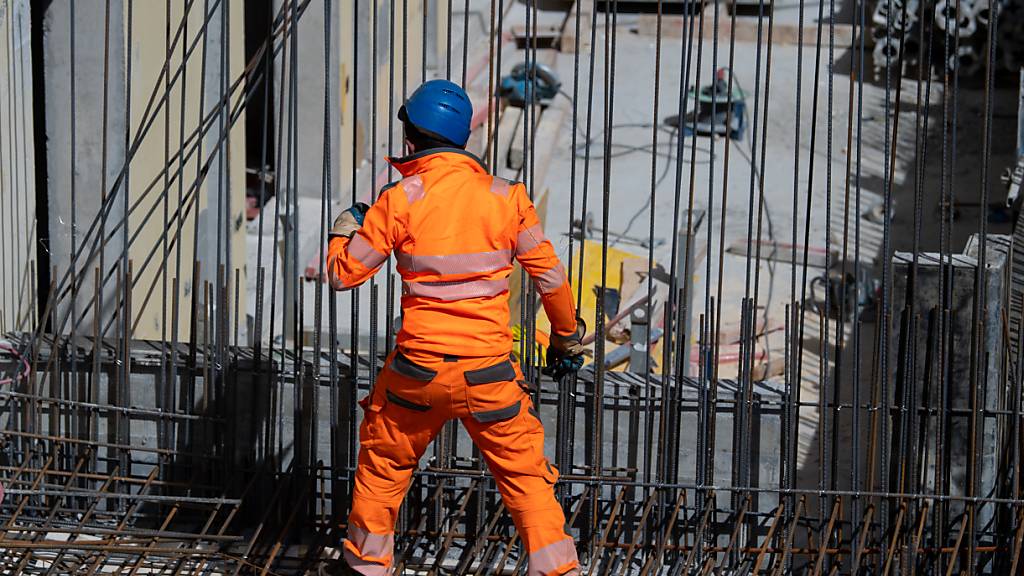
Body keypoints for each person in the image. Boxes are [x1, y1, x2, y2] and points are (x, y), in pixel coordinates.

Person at [325, 79, 585, 575]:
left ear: (412, 139)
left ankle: (364, 567)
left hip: (416, 378)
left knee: (382, 471)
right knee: (527, 480)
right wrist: (565, 338)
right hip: (489, 377)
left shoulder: (398, 201)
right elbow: (551, 278)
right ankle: (555, 569)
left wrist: (349, 223)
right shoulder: (506, 197)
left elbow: (342, 274)